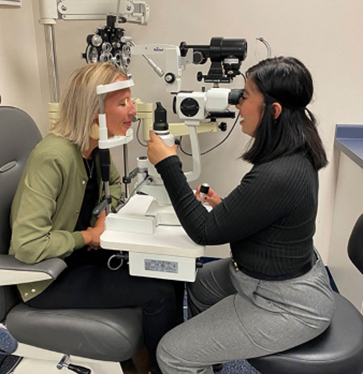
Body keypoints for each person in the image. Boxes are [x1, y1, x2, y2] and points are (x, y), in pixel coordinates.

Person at [146, 56, 335, 374]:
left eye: (244, 96)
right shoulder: (294, 150)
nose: (237, 106)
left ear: (273, 111)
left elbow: (203, 231)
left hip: (287, 303)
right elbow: (269, 214)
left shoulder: (279, 173)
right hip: (265, 272)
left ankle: (190, 362)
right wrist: (227, 210)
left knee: (171, 354)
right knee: (200, 284)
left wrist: (168, 164)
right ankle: (209, 362)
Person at [9, 62, 180, 374]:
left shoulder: (96, 147)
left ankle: (157, 363)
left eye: (131, 100)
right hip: (48, 278)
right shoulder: (54, 156)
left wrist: (100, 220)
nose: (133, 110)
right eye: (122, 102)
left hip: (80, 258)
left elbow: (113, 186)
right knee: (159, 293)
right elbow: (28, 245)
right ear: (93, 110)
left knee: (169, 270)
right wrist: (88, 236)